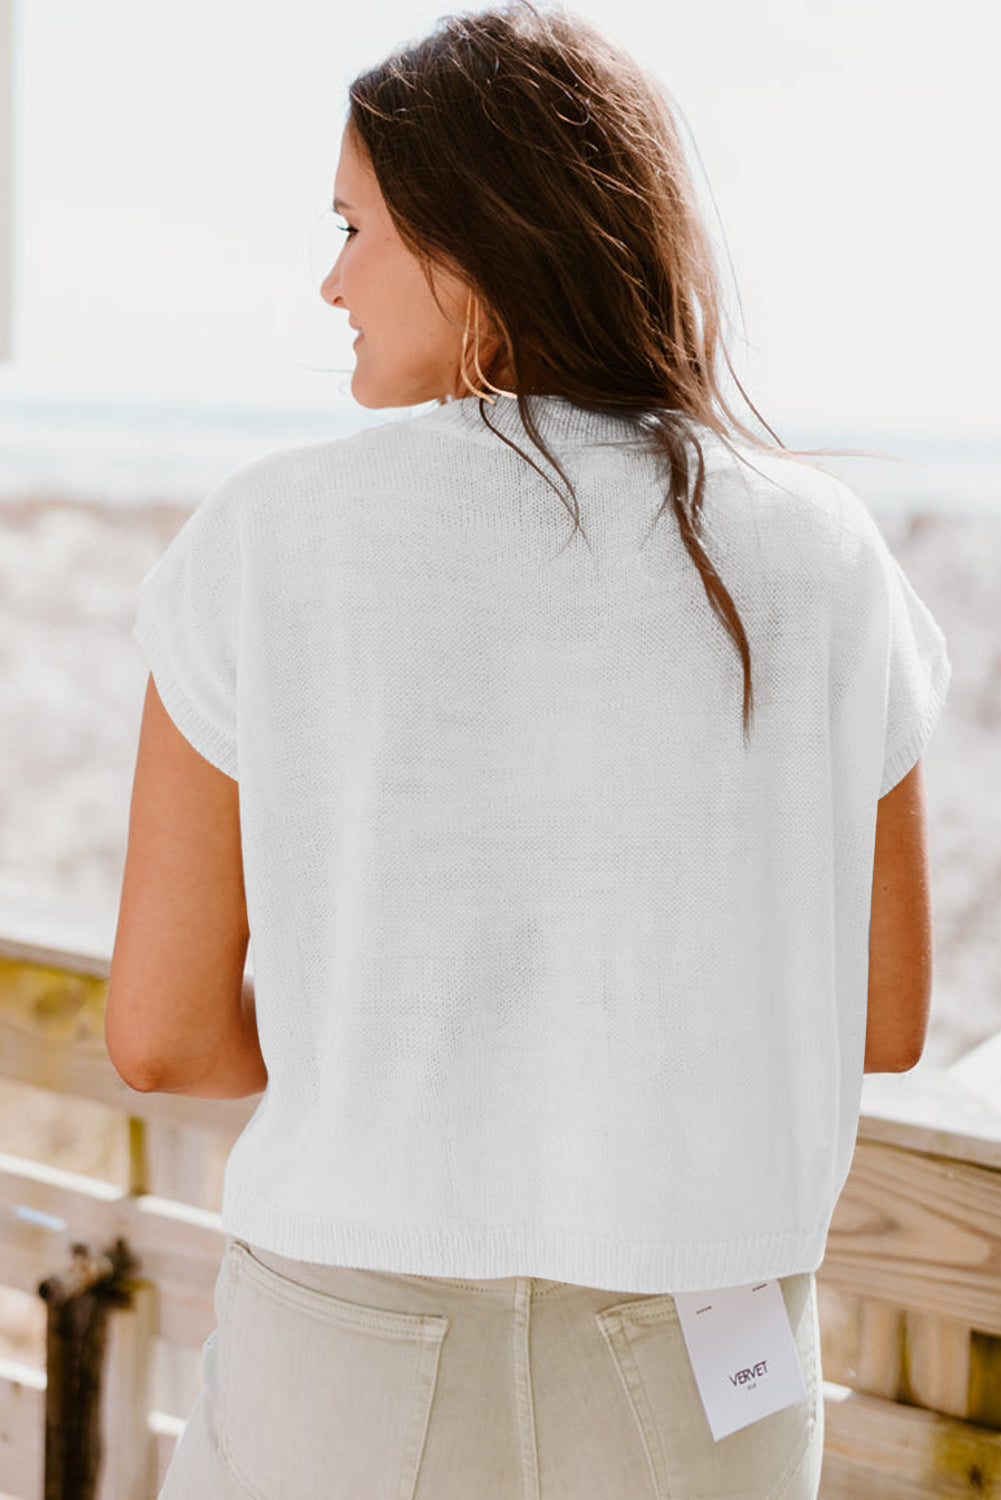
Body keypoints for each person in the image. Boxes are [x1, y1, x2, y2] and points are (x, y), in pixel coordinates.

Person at [105, 3, 951, 1496]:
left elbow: (164, 1031)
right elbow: (879, 1017)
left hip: (348, 1337)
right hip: (707, 1356)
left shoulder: (268, 536)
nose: (328, 282)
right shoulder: (819, 553)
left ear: (470, 240)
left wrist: (377, 1063)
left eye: (353, 227)